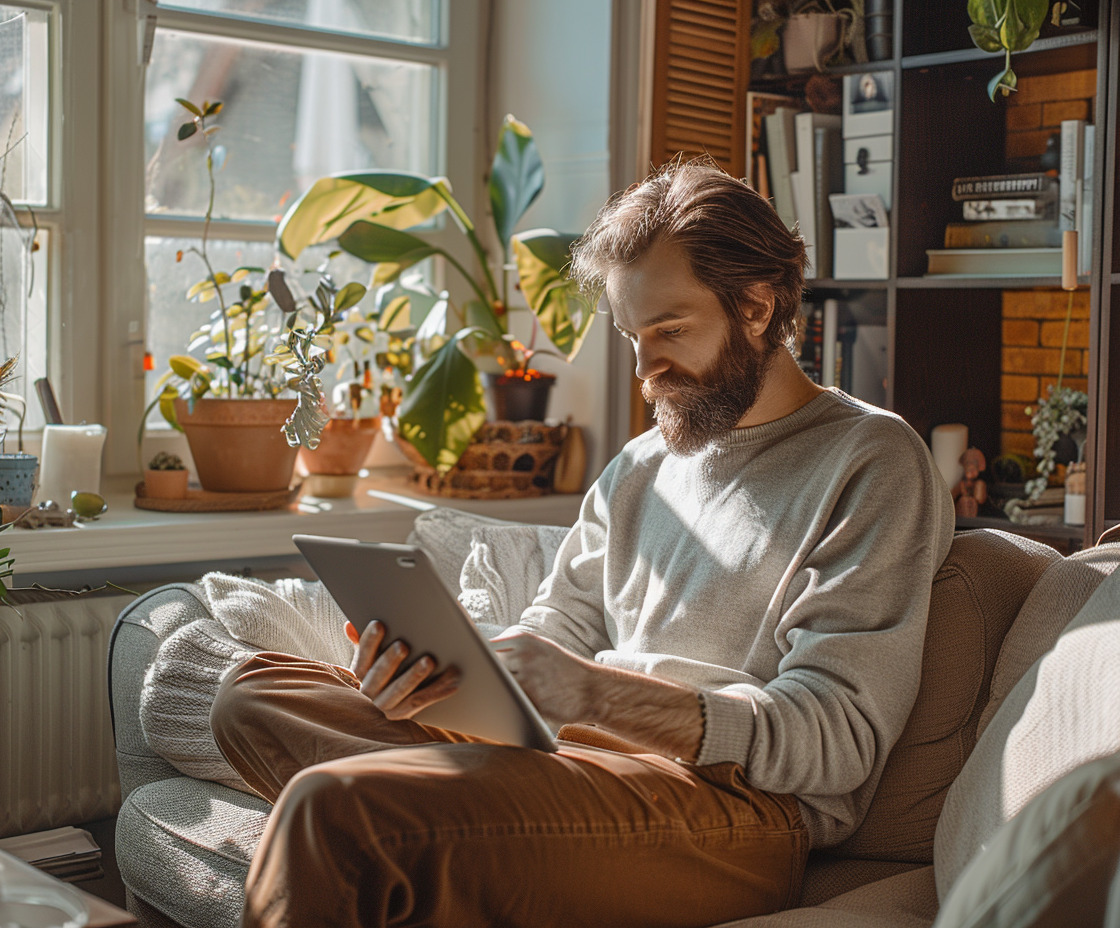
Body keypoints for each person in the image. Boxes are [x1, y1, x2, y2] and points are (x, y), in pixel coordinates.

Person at [210, 159, 956, 928]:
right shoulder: (640, 468)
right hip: (574, 761)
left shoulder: (871, 460)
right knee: (254, 694)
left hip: (732, 808)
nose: (644, 368)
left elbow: (838, 739)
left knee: (331, 806)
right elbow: (553, 630)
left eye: (669, 330)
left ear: (759, 306)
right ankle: (449, 825)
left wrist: (597, 694)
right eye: (633, 335)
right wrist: (440, 673)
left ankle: (424, 824)